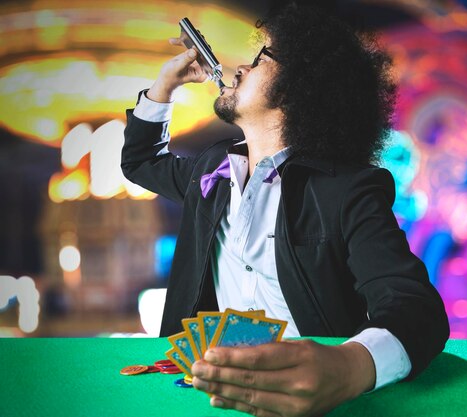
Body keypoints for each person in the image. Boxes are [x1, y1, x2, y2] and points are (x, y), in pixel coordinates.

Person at [122, 3, 449, 416]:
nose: (239, 68)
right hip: (205, 398)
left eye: (260, 60)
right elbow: (139, 162)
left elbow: (415, 308)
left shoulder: (347, 190)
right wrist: (163, 88)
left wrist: (348, 368)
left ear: (300, 88)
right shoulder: (210, 170)